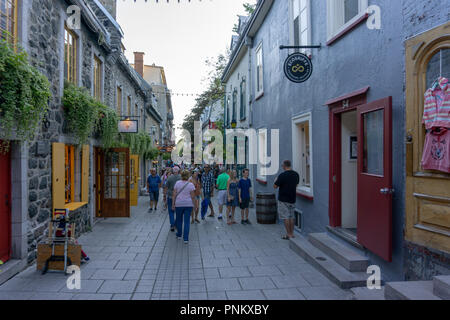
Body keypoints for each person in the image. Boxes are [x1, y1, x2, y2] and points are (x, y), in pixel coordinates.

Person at [274, 160, 300, 240]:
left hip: (283, 199)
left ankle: (288, 234)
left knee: (286, 217)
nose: (282, 167)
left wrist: (275, 180)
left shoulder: (282, 175)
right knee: (291, 216)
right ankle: (292, 234)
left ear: (285, 166)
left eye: (282, 165)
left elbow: (275, 186)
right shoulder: (296, 174)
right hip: (292, 198)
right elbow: (297, 184)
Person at [172, 170, 198, 244]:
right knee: (187, 221)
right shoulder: (191, 185)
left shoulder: (177, 183)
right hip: (188, 204)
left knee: (179, 220)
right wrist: (195, 206)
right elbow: (193, 197)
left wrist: (173, 204)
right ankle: (186, 238)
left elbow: (174, 195)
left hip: (179, 204)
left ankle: (179, 234)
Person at [165, 166, 181, 232]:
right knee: (178, 211)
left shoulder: (169, 177)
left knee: (171, 211)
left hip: (170, 196)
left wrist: (165, 195)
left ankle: (172, 224)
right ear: (178, 171)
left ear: (173, 171)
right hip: (179, 196)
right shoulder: (181, 177)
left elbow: (166, 186)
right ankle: (176, 224)